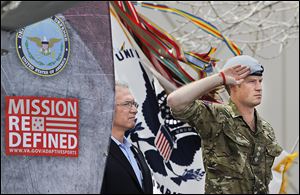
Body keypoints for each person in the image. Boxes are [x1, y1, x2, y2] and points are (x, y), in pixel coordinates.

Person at [167, 55, 283, 194]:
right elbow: (175, 102)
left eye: (260, 81)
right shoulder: (216, 117)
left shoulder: (265, 130)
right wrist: (220, 78)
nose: (259, 87)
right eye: (252, 82)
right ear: (233, 85)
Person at [101, 82, 153, 194]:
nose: (134, 110)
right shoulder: (96, 152)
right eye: (127, 104)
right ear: (107, 107)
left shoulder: (136, 152)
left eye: (134, 104)